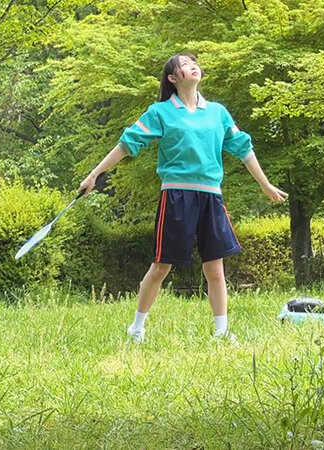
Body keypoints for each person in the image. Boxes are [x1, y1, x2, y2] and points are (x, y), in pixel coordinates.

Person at [78, 53, 287, 344]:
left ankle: (221, 332)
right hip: (176, 196)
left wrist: (265, 184)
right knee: (161, 266)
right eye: (185, 64)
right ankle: (136, 329)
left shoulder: (218, 112)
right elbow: (127, 144)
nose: (193, 66)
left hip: (211, 197)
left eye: (194, 62)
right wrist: (94, 175)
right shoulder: (160, 112)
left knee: (215, 268)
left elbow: (243, 148)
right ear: (173, 78)